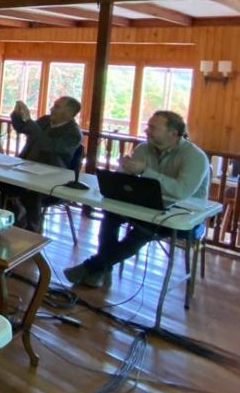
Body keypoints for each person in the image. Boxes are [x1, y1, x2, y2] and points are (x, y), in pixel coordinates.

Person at [64, 111, 210, 287]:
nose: (147, 130)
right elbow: (128, 182)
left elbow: (181, 191)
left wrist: (144, 171)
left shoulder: (195, 157)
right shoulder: (143, 149)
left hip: (184, 217)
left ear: (173, 133)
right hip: (147, 205)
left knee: (142, 232)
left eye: (153, 127)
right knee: (110, 215)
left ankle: (93, 266)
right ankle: (103, 268)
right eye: (148, 126)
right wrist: (122, 171)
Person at [0, 96, 83, 233]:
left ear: (69, 113)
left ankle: (32, 232)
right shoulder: (45, 120)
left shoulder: (74, 133)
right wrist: (17, 115)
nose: (51, 109)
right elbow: (23, 128)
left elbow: (49, 145)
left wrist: (31, 122)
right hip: (25, 170)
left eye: (56, 106)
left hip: (52, 181)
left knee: (31, 194)